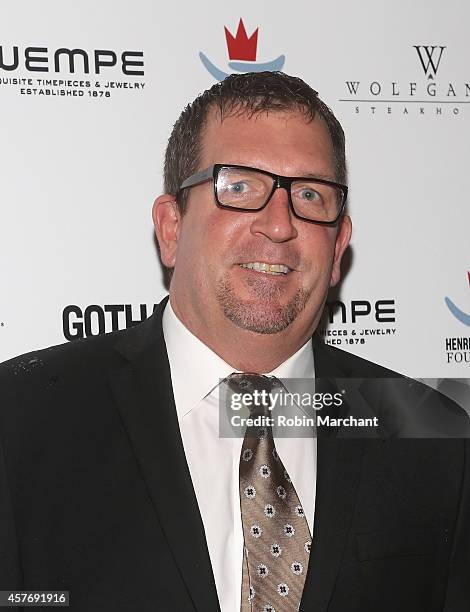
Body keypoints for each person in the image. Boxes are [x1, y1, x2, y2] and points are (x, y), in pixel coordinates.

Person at [0, 72, 469, 612]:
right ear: (171, 226)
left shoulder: (434, 437)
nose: (278, 225)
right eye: (239, 187)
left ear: (338, 245)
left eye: (310, 195)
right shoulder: (22, 421)